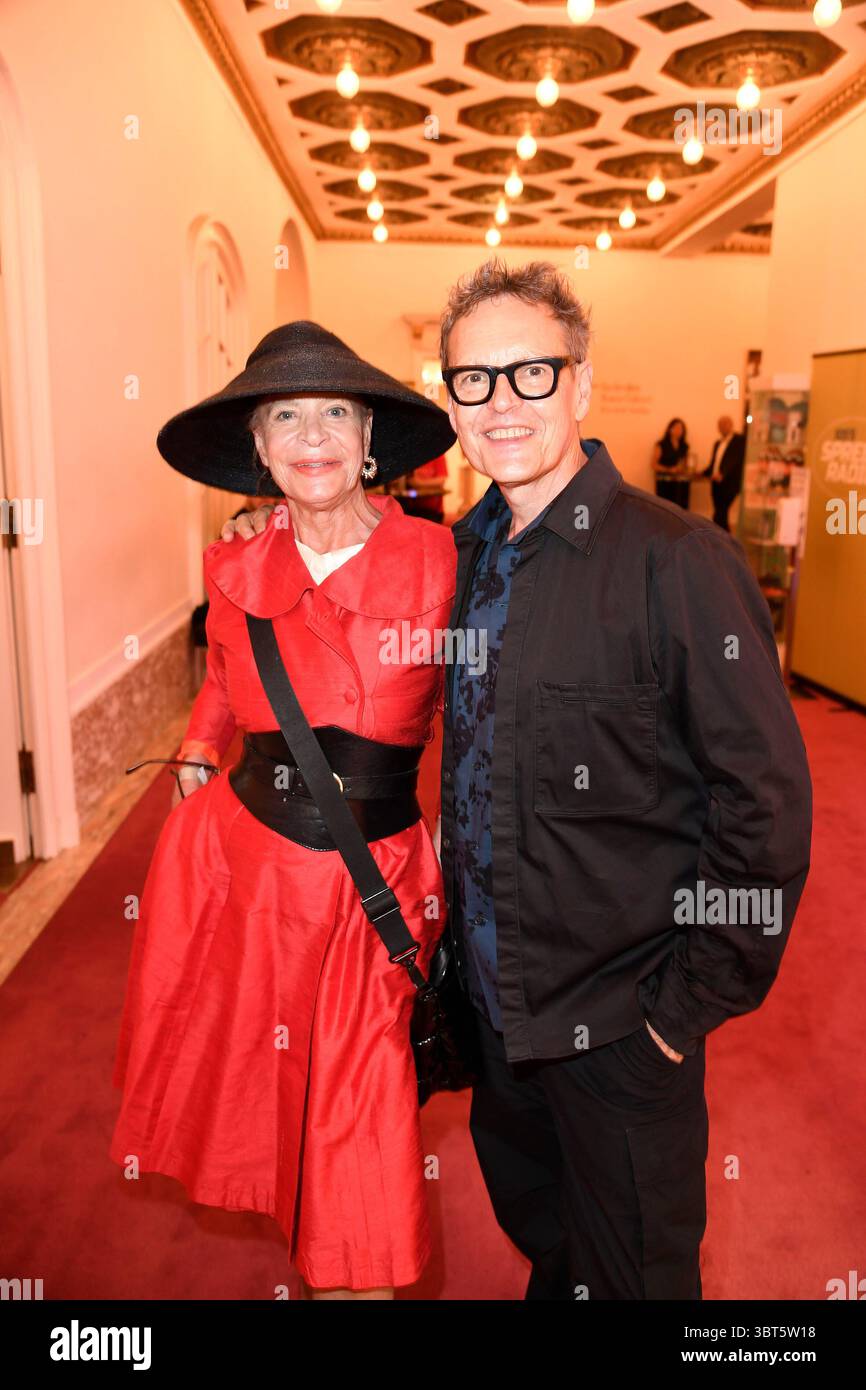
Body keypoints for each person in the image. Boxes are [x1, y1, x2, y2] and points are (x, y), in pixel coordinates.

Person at [222, 261, 812, 1301]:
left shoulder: (676, 561)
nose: (499, 403)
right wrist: (275, 525)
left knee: (635, 1280)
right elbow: (343, 579)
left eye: (529, 373)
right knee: (550, 1253)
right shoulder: (460, 557)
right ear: (447, 401)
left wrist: (680, 1010)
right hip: (494, 1016)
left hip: (623, 1027)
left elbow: (763, 813)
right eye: (472, 380)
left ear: (579, 383)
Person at [109, 320, 457, 1300]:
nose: (313, 436)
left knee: (360, 1125)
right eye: (285, 418)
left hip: (368, 891)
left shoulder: (436, 561)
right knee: (274, 1090)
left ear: (370, 439)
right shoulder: (235, 567)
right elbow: (225, 680)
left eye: (335, 413)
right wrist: (191, 755)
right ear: (258, 450)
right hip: (246, 877)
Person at [704, 414, 746, 530]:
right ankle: (723, 537)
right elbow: (713, 464)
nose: (722, 427)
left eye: (724, 424)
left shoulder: (739, 440)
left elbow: (735, 461)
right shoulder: (718, 443)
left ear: (731, 425)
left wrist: (723, 474)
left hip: (730, 483)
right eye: (720, 425)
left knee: (720, 512)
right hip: (716, 483)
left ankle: (718, 536)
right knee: (720, 512)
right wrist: (702, 473)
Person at [652, 417, 691, 510]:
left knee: (681, 510)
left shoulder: (685, 446)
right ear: (670, 429)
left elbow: (686, 463)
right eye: (677, 428)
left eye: (681, 429)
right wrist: (669, 469)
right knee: (665, 509)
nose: (679, 431)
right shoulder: (661, 444)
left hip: (681, 484)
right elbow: (654, 465)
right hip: (665, 483)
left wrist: (684, 468)